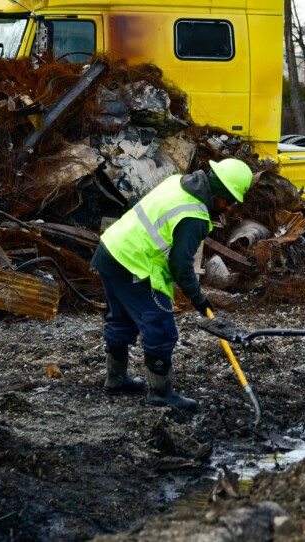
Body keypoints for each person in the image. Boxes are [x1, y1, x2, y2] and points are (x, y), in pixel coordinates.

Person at [92, 158, 254, 410]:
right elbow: (181, 265)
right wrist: (198, 298)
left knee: (121, 318)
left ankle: (116, 379)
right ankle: (160, 393)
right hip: (134, 264)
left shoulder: (178, 182)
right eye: (230, 201)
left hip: (111, 250)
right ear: (219, 192)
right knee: (160, 327)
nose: (230, 208)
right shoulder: (194, 216)